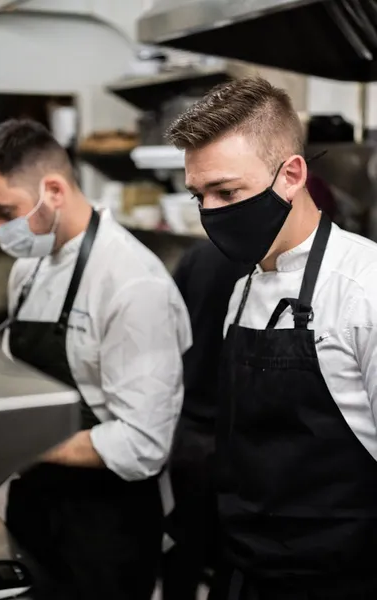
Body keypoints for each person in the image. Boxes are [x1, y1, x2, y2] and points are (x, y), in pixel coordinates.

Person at [166, 77, 377, 600]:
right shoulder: (242, 288)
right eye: (200, 195)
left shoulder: (364, 290)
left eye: (228, 192)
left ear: (292, 174)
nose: (211, 212)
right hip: (246, 572)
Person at [0, 119, 192, 600]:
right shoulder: (29, 268)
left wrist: (11, 444)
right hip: (34, 503)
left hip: (106, 524)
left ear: (52, 189)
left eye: (3, 212)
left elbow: (143, 443)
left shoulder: (133, 283)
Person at [162, 240, 247, 600]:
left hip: (190, 427)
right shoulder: (265, 258)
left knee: (186, 543)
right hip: (233, 434)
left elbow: (169, 326)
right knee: (233, 550)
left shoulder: (197, 255)